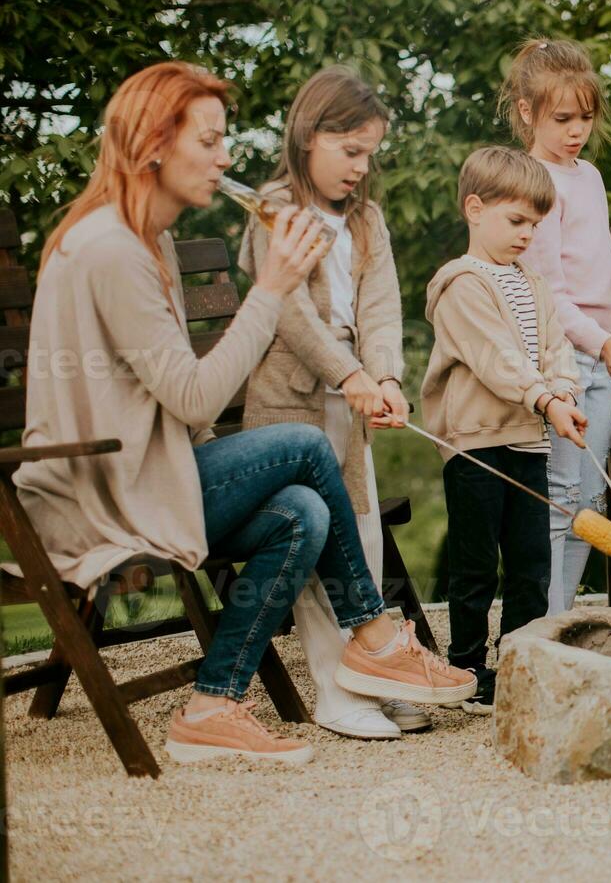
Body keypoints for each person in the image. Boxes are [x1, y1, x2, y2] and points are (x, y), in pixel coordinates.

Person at [15, 62, 474, 766]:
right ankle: (374, 636)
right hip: (103, 495)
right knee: (306, 448)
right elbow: (196, 397)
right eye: (210, 139)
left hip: (146, 475)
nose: (226, 156)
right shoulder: (110, 249)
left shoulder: (147, 240)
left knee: (303, 512)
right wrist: (272, 288)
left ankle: (212, 705)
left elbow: (174, 399)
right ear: (154, 145)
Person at [239, 65, 425, 741]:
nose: (360, 167)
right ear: (309, 135)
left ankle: (371, 677)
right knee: (317, 539)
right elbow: (288, 313)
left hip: (352, 404)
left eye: (369, 154)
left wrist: (387, 378)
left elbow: (380, 310)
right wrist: (349, 374)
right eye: (350, 151)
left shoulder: (368, 219)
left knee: (363, 540)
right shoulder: (273, 207)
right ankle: (334, 691)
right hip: (292, 405)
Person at [421, 146, 586, 712]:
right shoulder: (460, 284)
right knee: (474, 566)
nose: (526, 235)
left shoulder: (533, 284)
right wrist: (543, 395)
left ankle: (518, 660)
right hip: (477, 446)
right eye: (516, 221)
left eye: (534, 225)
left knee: (531, 565)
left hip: (529, 441)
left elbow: (555, 348)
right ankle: (465, 666)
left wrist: (564, 391)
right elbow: (497, 360)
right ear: (474, 208)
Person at [500, 38, 611, 613]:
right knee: (562, 496)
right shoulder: (532, 181)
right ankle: (547, 622)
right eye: (562, 119)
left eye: (585, 117)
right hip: (562, 358)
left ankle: (559, 615)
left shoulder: (591, 177)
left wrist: (608, 352)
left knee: (591, 500)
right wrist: (605, 344)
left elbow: (599, 271)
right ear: (528, 112)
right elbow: (550, 297)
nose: (576, 130)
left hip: (598, 359)